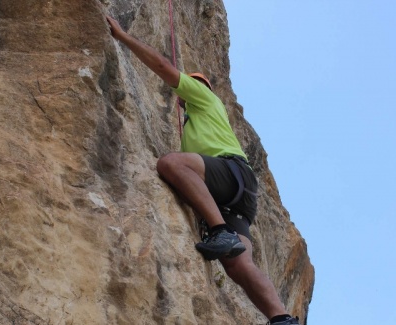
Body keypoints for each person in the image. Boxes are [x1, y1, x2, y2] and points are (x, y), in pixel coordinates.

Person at [106, 15, 300, 325]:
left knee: (170, 163)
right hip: (239, 194)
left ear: (200, 86)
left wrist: (122, 36)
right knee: (238, 265)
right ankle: (281, 318)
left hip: (230, 172)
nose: (182, 95)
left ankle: (220, 231)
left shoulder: (203, 95)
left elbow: (162, 68)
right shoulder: (201, 120)